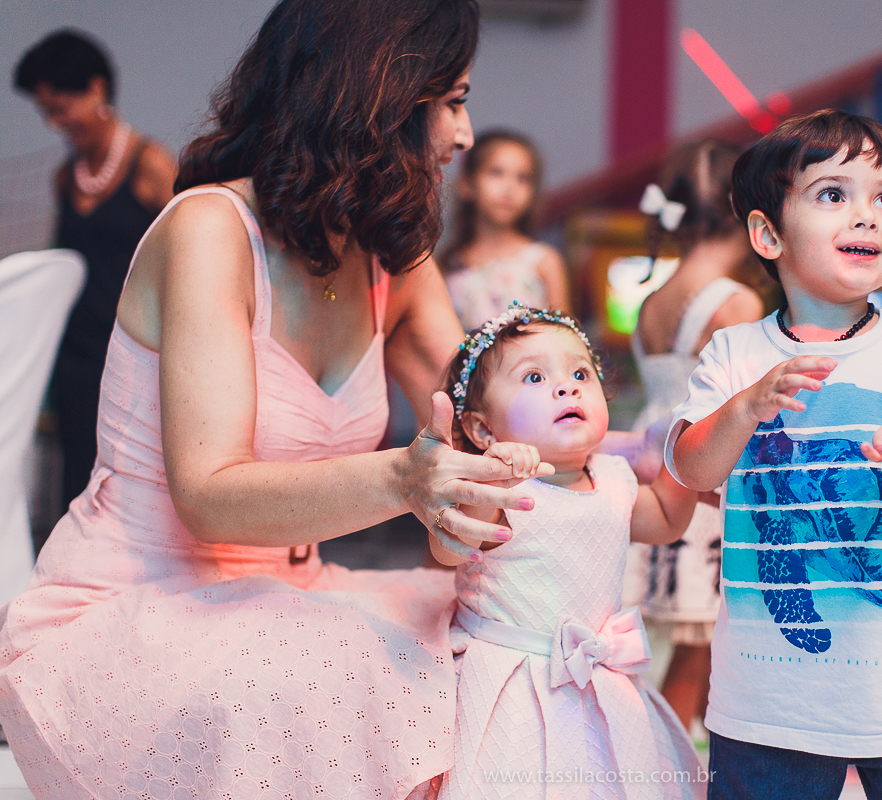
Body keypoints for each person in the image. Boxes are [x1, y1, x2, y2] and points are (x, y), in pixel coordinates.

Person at [0, 1, 540, 797]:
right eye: (453, 101)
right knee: (331, 668)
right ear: (379, 99)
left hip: (295, 596)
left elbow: (485, 410)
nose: (465, 134)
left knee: (499, 642)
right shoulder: (210, 229)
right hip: (139, 611)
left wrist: (621, 452)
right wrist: (404, 481)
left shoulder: (390, 251)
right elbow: (211, 497)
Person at [668, 109, 882, 799]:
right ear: (768, 233)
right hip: (765, 701)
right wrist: (745, 407)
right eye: (834, 194)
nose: (867, 216)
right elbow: (692, 469)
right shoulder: (735, 353)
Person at [431, 305, 703, 799]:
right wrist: (494, 478)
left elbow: (663, 519)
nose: (567, 387)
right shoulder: (497, 490)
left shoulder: (615, 479)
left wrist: (680, 454)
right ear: (482, 431)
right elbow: (450, 548)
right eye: (534, 376)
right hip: (511, 685)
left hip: (596, 683)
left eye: (581, 373)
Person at [622, 139, 762, 740]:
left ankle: (648, 745)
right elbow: (744, 405)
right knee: (697, 637)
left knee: (667, 632)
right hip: (702, 473)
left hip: (650, 465)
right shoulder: (735, 301)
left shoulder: (653, 300)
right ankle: (664, 759)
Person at [14, 30, 177, 535]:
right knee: (76, 480)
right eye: (47, 112)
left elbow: (190, 257)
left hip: (134, 354)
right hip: (77, 357)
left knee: (129, 482)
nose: (57, 123)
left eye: (63, 107)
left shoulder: (150, 166)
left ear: (97, 89)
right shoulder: (66, 179)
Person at [441, 130, 569, 330]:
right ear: (466, 184)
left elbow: (564, 337)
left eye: (522, 178)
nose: (509, 187)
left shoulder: (544, 262)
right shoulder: (447, 264)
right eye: (496, 173)